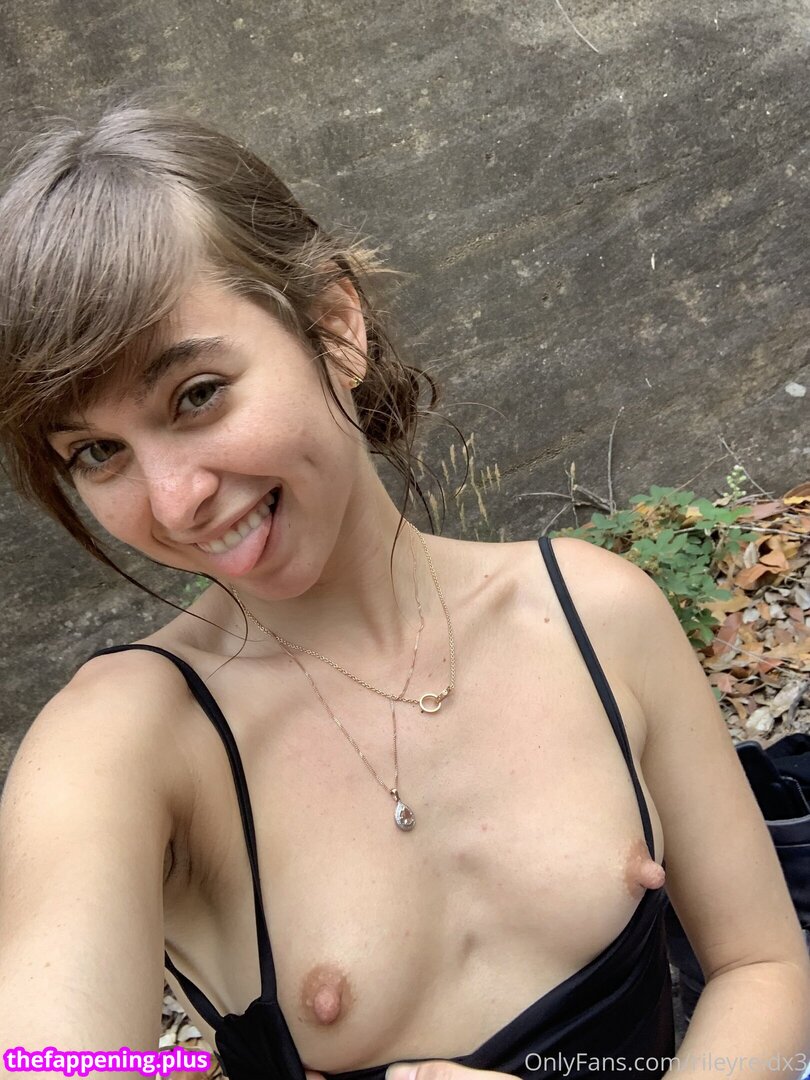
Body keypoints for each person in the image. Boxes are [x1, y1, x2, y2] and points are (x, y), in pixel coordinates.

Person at [0, 101, 808, 1080]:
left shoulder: (598, 615)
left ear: (334, 329)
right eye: (97, 453)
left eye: (197, 395)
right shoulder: (122, 746)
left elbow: (762, 966)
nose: (175, 500)